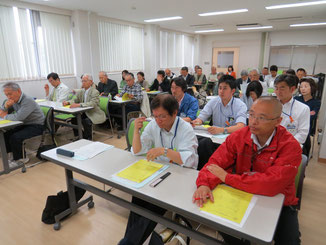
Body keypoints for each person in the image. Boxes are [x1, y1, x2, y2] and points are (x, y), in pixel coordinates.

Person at [193, 97, 302, 245]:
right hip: (242, 193)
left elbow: (271, 184)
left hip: (278, 202)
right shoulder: (239, 136)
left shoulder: (290, 146)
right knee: (225, 227)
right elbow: (215, 163)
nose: (253, 121)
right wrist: (204, 184)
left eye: (261, 118)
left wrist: (228, 178)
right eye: (251, 115)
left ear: (278, 121)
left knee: (290, 240)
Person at [119, 94, 198, 245]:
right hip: (158, 173)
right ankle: (129, 240)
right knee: (138, 197)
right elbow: (137, 151)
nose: (158, 120)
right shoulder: (154, 125)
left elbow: (190, 161)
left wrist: (164, 151)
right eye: (155, 116)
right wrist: (136, 130)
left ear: (174, 113)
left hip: (178, 177)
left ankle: (128, 242)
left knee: (152, 207)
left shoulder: (185, 129)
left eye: (162, 116)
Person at [192, 75, 247, 168]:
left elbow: (241, 126)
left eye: (225, 88)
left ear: (233, 91)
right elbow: (202, 117)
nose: (221, 91)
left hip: (231, 140)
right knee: (201, 144)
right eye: (220, 88)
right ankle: (204, 170)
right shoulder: (214, 102)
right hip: (214, 139)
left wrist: (222, 130)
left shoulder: (240, 105)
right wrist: (196, 122)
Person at [0, 82, 44, 166]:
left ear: (18, 91)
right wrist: (5, 107)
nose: (8, 97)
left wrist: (4, 115)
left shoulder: (27, 100)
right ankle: (12, 155)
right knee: (6, 134)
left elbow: (18, 117)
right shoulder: (12, 100)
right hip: (24, 124)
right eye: (6, 95)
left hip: (37, 125)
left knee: (15, 137)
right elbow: (1, 112)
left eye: (10, 94)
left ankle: (21, 158)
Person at [63, 74, 106, 140]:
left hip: (93, 113)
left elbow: (92, 103)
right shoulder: (81, 91)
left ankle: (88, 138)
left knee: (86, 121)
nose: (83, 83)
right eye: (82, 81)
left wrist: (79, 105)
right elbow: (75, 100)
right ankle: (80, 136)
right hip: (84, 112)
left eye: (85, 81)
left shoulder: (95, 92)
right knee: (74, 119)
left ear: (91, 82)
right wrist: (68, 102)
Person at [274, 74, 310, 146]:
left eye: (282, 88)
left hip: (290, 145)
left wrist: (285, 144)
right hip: (271, 144)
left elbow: (302, 134)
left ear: (292, 89)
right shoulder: (270, 105)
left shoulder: (303, 108)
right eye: (276, 88)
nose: (278, 92)